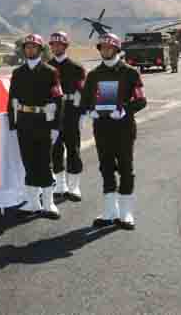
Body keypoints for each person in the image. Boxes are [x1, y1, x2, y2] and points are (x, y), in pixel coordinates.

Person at [81, 33, 147, 230]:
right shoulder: (93, 75)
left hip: (124, 128)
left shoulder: (130, 73)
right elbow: (85, 100)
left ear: (117, 50)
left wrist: (125, 110)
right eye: (102, 48)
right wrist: (91, 110)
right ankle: (110, 211)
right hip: (102, 128)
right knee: (106, 167)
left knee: (126, 167)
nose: (105, 51)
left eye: (109, 48)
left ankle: (126, 212)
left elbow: (141, 100)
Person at [7, 34, 64, 219]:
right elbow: (11, 100)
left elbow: (58, 99)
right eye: (27, 47)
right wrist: (12, 124)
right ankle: (33, 202)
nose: (30, 50)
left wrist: (56, 127)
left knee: (44, 163)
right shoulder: (17, 73)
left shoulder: (50, 71)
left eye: (34, 47)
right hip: (24, 121)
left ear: (40, 50)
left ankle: (48, 203)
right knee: (28, 162)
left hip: (43, 122)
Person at [47, 32, 87, 202]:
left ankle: (74, 186)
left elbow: (84, 92)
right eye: (53, 45)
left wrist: (83, 114)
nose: (56, 47)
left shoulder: (76, 67)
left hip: (71, 111)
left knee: (73, 148)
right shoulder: (47, 67)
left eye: (59, 45)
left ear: (65, 46)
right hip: (54, 112)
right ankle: (60, 184)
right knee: (55, 149)